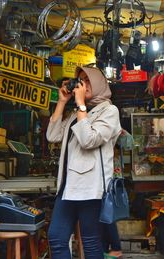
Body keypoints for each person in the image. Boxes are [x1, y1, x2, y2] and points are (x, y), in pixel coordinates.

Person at [46, 66, 122, 259]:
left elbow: (89, 140)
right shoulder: (76, 114)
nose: (82, 84)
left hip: (91, 190)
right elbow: (52, 135)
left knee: (91, 243)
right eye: (80, 80)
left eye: (87, 80)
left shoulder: (109, 111)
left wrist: (80, 104)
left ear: (98, 83)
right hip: (67, 188)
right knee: (56, 238)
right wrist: (63, 102)